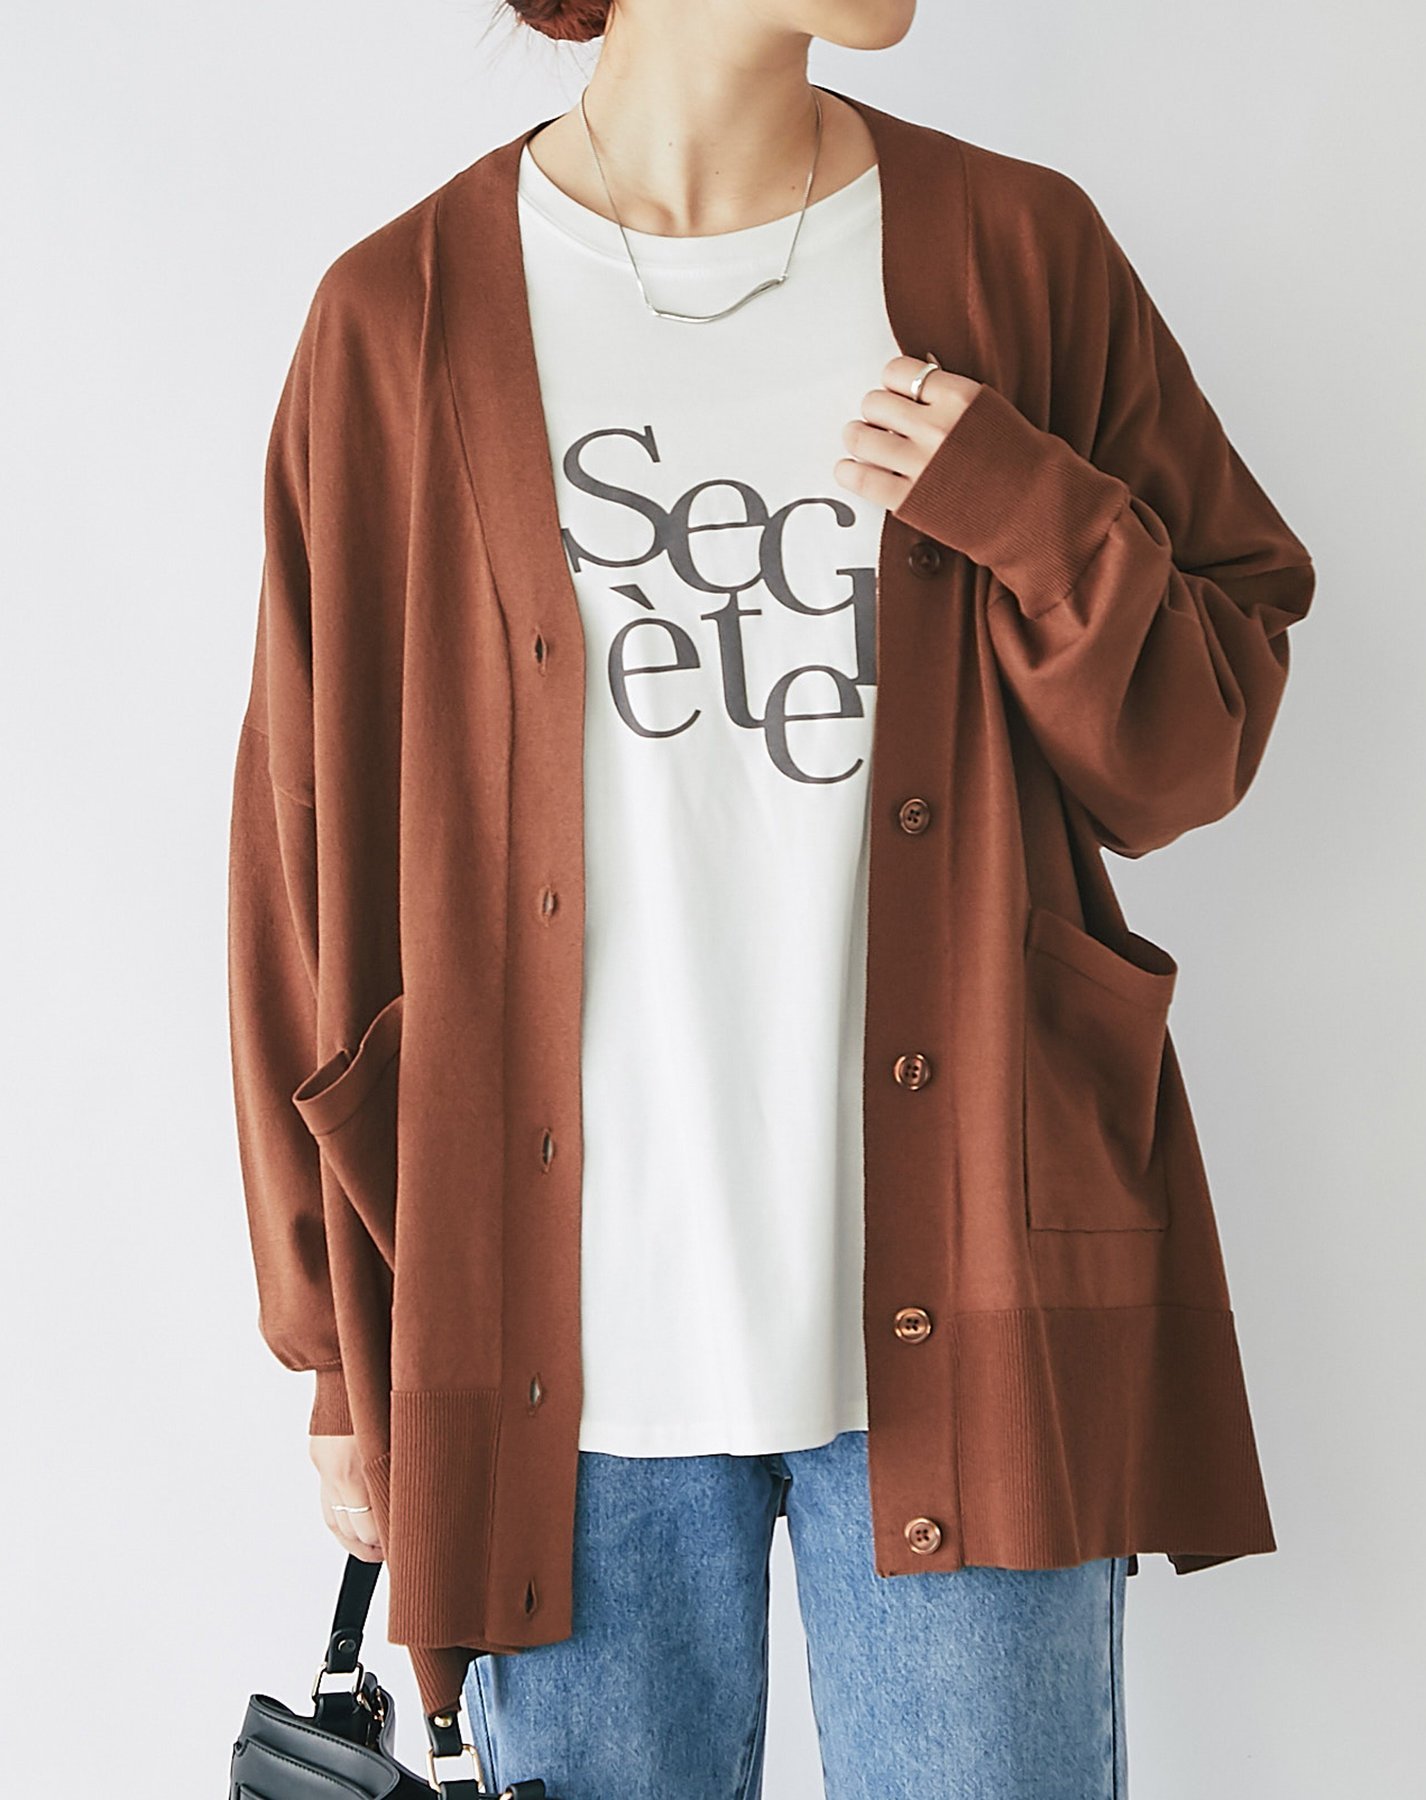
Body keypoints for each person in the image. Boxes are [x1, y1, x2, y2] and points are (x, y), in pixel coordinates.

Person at [228, 1, 1315, 1794]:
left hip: (970, 1292)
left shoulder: (1018, 255)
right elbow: (303, 856)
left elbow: (1193, 745)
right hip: (555, 1358)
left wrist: (1034, 512)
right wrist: (340, 1352)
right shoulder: (397, 320)